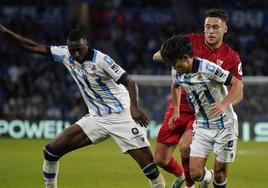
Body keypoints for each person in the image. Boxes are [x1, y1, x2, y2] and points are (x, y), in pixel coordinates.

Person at [0, 25, 166, 188]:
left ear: (86, 44)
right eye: (72, 50)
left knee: (149, 166)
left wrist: (134, 108)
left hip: (121, 115)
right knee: (51, 151)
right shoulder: (65, 54)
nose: (76, 54)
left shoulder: (102, 60)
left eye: (79, 49)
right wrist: (7, 33)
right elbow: (34, 46)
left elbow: (129, 82)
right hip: (96, 117)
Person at [153, 9, 243, 188]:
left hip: (210, 112)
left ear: (225, 29)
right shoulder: (190, 42)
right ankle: (189, 178)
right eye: (207, 27)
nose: (210, 31)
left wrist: (224, 105)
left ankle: (190, 185)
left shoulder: (230, 58)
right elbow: (157, 56)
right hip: (186, 104)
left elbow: (238, 89)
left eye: (215, 27)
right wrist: (176, 62)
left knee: (188, 148)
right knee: (160, 159)